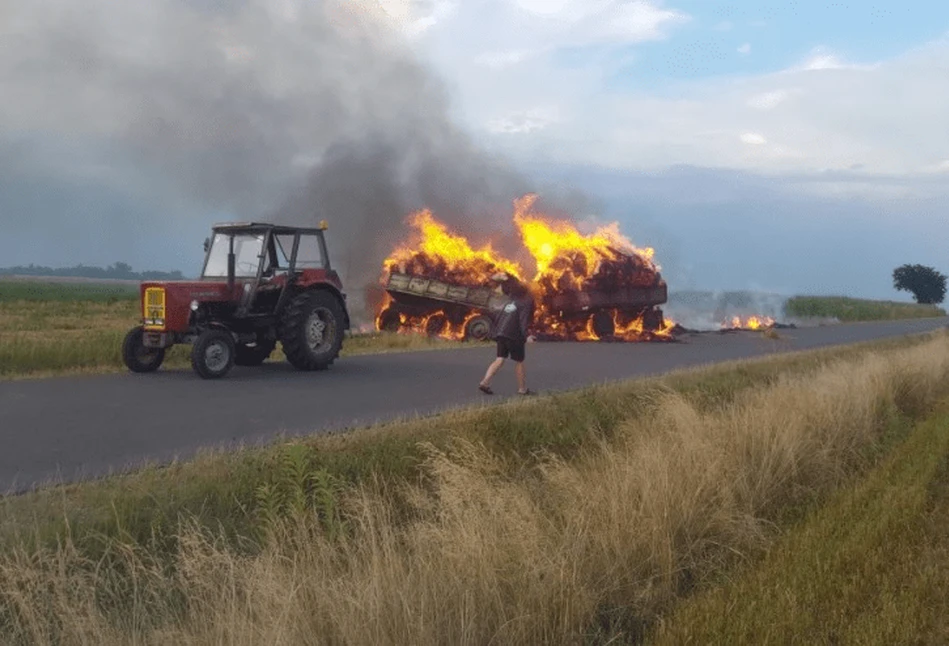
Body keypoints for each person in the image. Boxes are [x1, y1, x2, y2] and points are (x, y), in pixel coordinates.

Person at [478, 273, 536, 396]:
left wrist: (505, 277)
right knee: (519, 361)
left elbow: (511, 286)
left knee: (499, 359)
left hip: (501, 332)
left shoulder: (513, 297)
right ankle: (522, 389)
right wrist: (527, 336)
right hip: (513, 335)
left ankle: (485, 382)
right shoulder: (527, 301)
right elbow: (523, 320)